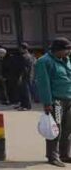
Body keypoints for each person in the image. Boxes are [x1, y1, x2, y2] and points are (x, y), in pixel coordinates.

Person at [36, 37, 71, 167]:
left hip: (69, 100)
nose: (69, 52)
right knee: (56, 129)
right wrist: (47, 102)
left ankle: (64, 154)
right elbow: (43, 84)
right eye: (67, 50)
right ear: (58, 50)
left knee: (68, 129)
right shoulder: (44, 62)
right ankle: (52, 156)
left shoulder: (66, 60)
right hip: (56, 102)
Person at [12, 43, 36, 111]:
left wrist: (21, 77)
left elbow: (25, 68)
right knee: (22, 91)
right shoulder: (30, 56)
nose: (19, 50)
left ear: (24, 48)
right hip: (28, 75)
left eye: (20, 48)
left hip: (25, 76)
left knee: (25, 91)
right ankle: (23, 104)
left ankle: (27, 106)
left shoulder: (25, 56)